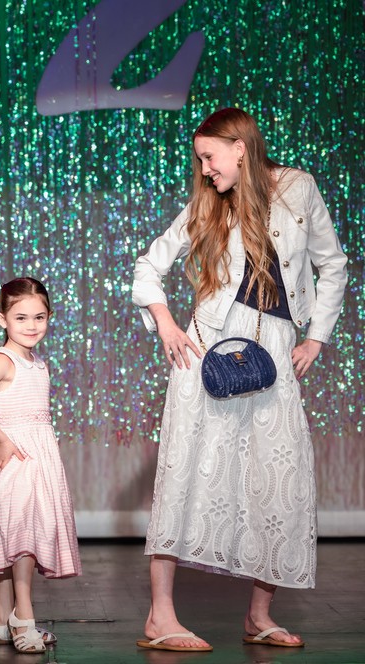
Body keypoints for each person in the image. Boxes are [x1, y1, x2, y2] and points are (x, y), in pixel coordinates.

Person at [132, 108, 348, 652]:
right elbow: (147, 266)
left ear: (240, 148)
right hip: (206, 350)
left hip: (274, 350)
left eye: (210, 156)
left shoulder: (299, 189)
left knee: (277, 476)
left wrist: (316, 337)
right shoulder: (207, 204)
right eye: (200, 159)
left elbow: (334, 264)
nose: (204, 169)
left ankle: (259, 615)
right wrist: (165, 323)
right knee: (184, 473)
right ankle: (160, 617)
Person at [0, 277, 82, 655]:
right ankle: (23, 618)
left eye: (39, 317)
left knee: (18, 535)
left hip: (39, 453)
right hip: (14, 455)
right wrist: (2, 438)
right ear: (2, 319)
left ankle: (1, 622)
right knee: (21, 536)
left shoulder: (37, 361)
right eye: (21, 318)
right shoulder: (3, 359)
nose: (31, 326)